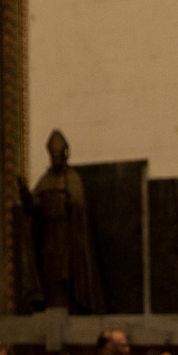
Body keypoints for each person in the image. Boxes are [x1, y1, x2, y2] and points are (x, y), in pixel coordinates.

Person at [29, 130, 106, 313]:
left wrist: (66, 203)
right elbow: (34, 205)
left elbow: (78, 205)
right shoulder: (45, 180)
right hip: (49, 235)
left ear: (64, 155)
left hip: (68, 235)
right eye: (53, 156)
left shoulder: (72, 178)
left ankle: (73, 306)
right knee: (51, 275)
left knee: (68, 273)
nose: (55, 159)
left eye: (58, 155)